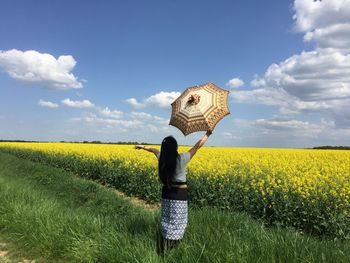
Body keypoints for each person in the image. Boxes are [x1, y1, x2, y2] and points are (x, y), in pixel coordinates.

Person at [135, 130, 212, 254]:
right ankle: (173, 250)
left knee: (167, 219)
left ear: (164, 148)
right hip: (179, 196)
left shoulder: (162, 159)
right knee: (178, 221)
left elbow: (154, 150)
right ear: (176, 147)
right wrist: (208, 134)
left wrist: (142, 147)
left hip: (166, 194)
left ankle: (163, 247)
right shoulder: (182, 158)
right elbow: (197, 146)